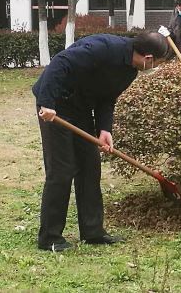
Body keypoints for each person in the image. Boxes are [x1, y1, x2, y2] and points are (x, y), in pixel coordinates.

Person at [32, 31, 169, 252]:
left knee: (90, 167)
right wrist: (46, 102)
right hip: (55, 106)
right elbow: (60, 63)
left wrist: (104, 129)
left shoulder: (129, 71)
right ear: (149, 58)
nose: (156, 67)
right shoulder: (103, 48)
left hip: (82, 109)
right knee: (62, 170)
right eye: (159, 63)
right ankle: (49, 237)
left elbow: (107, 98)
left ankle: (93, 231)